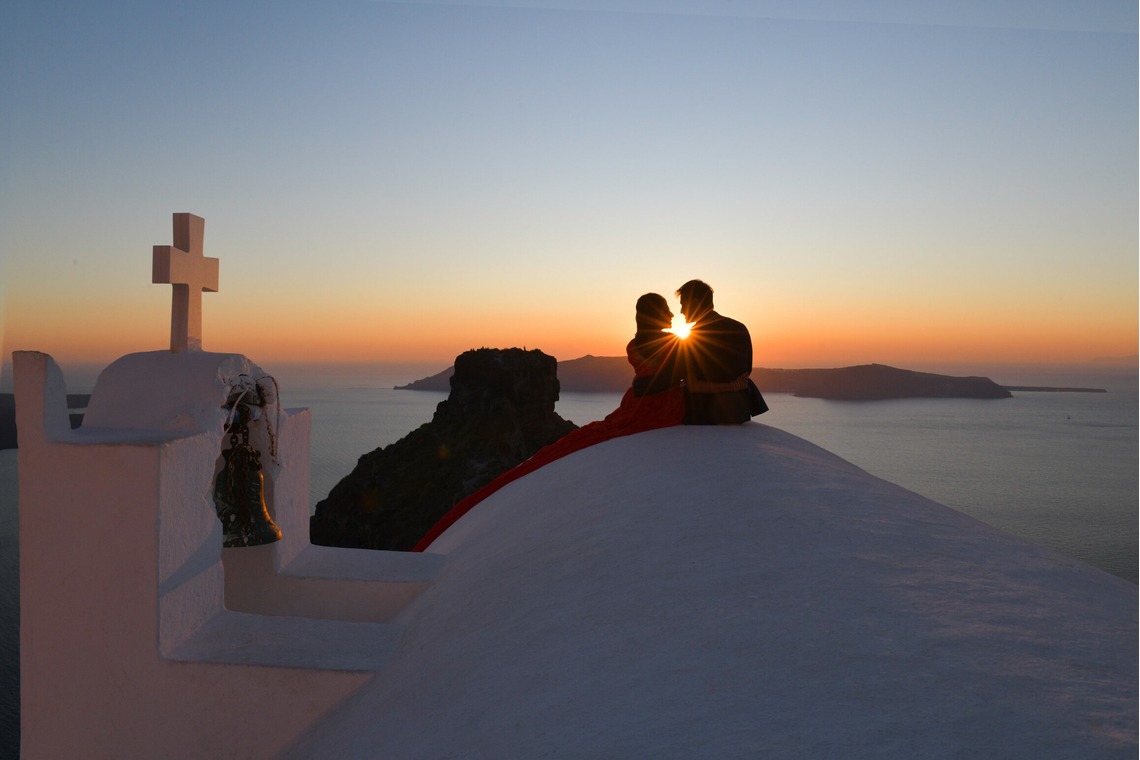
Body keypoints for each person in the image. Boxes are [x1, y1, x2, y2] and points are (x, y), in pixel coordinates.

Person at [413, 293, 686, 551]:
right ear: (653, 315)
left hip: (641, 402)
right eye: (666, 310)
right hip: (655, 406)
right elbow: (652, 381)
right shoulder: (665, 343)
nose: (673, 315)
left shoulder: (641, 342)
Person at [674, 279, 767, 425]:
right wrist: (733, 387)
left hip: (703, 414)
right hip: (737, 411)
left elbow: (693, 385)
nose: (681, 311)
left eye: (683, 305)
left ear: (694, 303)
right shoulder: (740, 328)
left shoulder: (692, 338)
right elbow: (746, 370)